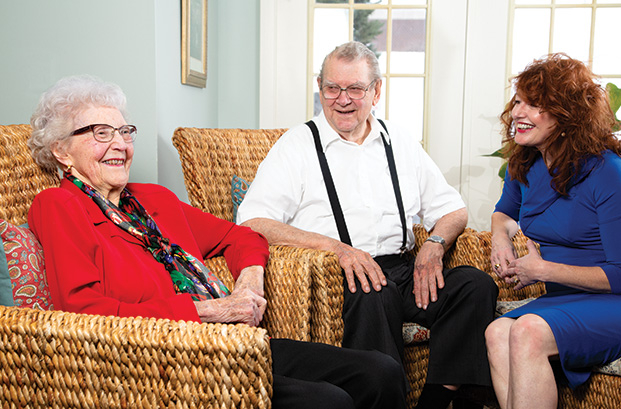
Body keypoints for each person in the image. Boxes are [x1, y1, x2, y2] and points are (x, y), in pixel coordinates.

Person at [26, 75, 406, 409]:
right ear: (61, 151)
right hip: (163, 362)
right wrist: (212, 310)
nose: (120, 145)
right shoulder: (58, 205)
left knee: (381, 371)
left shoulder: (153, 199)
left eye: (125, 132)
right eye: (100, 133)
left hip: (234, 342)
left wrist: (249, 281)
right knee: (328, 400)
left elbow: (242, 235)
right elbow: (82, 309)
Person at [237, 41, 498, 409]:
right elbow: (253, 221)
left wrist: (434, 242)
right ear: (320, 87)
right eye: (332, 88)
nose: (342, 99)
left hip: (405, 268)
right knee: (373, 290)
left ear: (377, 90)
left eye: (355, 88)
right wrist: (337, 249)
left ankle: (438, 399)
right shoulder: (296, 146)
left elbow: (453, 209)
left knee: (475, 285)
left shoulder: (399, 141)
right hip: (343, 272)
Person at [486, 53, 621, 409]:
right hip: (565, 297)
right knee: (496, 331)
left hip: (617, 302)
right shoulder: (526, 162)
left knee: (526, 331)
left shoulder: (609, 172)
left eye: (534, 105)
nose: (519, 112)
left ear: (567, 114)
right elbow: (504, 213)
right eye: (518, 100)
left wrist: (542, 270)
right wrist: (500, 238)